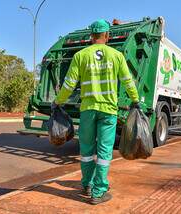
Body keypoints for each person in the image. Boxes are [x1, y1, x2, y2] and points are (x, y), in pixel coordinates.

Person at [53, 19, 139, 205]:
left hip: (88, 110)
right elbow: (128, 81)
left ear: (91, 36)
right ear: (108, 36)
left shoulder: (80, 55)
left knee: (86, 150)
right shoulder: (116, 56)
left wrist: (57, 101)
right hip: (108, 111)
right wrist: (135, 100)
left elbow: (69, 84)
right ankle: (99, 191)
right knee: (104, 151)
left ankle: (87, 184)